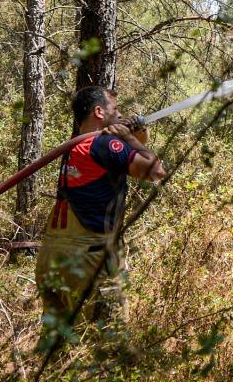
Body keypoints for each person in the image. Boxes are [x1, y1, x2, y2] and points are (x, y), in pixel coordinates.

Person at [36, 85, 166, 328]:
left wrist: (138, 134)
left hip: (52, 257)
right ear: (99, 112)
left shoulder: (77, 147)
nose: (119, 115)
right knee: (106, 343)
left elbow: (126, 155)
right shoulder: (105, 145)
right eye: (114, 109)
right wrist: (127, 138)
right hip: (88, 261)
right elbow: (156, 171)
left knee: (58, 345)